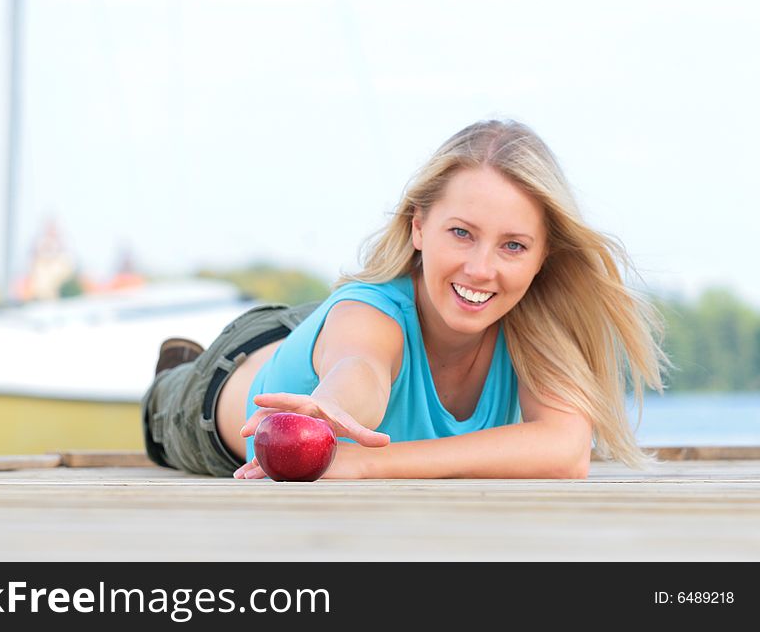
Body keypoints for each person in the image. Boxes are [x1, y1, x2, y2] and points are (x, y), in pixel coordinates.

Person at [141, 118, 669, 480]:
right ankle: (181, 365)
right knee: (358, 324)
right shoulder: (373, 321)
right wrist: (333, 409)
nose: (482, 268)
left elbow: (565, 452)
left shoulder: (534, 323)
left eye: (512, 245)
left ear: (542, 256)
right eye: (461, 233)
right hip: (225, 385)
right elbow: (361, 369)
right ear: (418, 226)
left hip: (365, 319)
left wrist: (369, 464)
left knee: (363, 318)